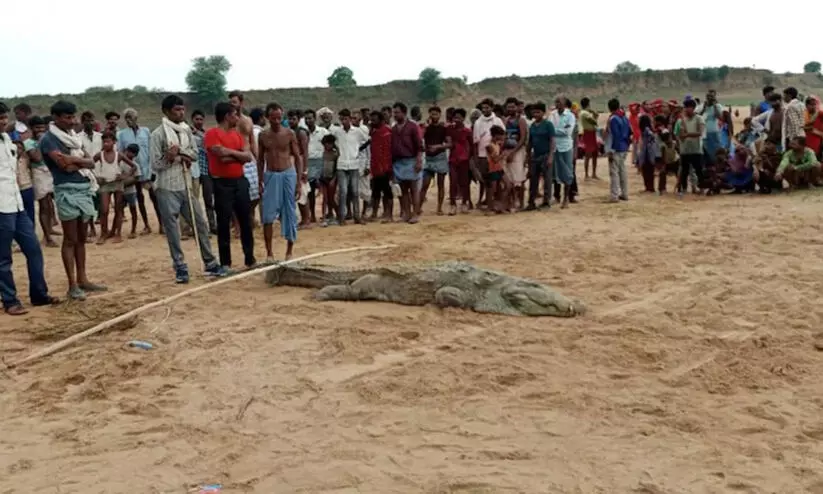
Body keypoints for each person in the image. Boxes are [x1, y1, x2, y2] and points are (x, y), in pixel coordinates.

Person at [151, 95, 228, 283]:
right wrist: (170, 157)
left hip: (186, 183)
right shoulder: (158, 134)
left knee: (200, 223)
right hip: (166, 186)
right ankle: (180, 266)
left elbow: (194, 153)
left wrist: (180, 154)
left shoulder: (186, 131)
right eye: (176, 110)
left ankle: (210, 262)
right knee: (172, 229)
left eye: (182, 109)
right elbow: (155, 164)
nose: (180, 113)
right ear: (167, 112)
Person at [39, 100, 107, 300]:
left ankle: (83, 279)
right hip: (66, 191)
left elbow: (90, 163)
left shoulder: (73, 138)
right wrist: (78, 162)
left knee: (81, 239)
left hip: (83, 189)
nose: (72, 121)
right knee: (70, 239)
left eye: (72, 117)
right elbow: (64, 167)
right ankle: (72, 285)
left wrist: (72, 159)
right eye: (68, 118)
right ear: (57, 118)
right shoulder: (48, 140)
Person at [0, 103, 60, 315]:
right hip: (1, 208)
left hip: (16, 203)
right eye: (1, 118)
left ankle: (39, 294)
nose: (4, 121)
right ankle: (10, 300)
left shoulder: (7, 140)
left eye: (4, 117)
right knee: (3, 258)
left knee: (34, 249)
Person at [205, 102, 256, 269]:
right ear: (227, 116)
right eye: (235, 114)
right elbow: (220, 156)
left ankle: (250, 258)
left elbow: (248, 156)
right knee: (224, 222)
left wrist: (230, 153)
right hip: (222, 183)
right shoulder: (212, 133)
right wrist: (238, 155)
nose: (237, 118)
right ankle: (226, 262)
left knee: (246, 221)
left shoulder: (237, 135)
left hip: (240, 181)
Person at [258, 103, 302, 261]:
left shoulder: (289, 133)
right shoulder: (263, 135)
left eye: (279, 117)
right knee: (268, 216)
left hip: (288, 175)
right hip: (271, 175)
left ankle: (289, 251)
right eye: (273, 118)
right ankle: (269, 253)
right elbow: (260, 159)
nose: (276, 121)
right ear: (267, 118)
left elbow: (297, 157)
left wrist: (298, 182)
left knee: (290, 213)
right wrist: (260, 180)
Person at [118, 108, 159, 234]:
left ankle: (162, 224)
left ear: (136, 118)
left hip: (147, 169)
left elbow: (152, 150)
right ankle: (146, 225)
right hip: (133, 170)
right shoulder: (122, 134)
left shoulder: (146, 131)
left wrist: (152, 169)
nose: (129, 120)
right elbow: (121, 152)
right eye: (127, 118)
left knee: (154, 197)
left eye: (131, 117)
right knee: (139, 198)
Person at [93, 132, 135, 244]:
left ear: (114, 142)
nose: (106, 144)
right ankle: (103, 233)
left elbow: (133, 166)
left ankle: (118, 233)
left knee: (118, 208)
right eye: (104, 142)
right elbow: (89, 165)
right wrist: (96, 177)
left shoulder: (119, 155)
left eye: (108, 141)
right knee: (104, 210)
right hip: (105, 184)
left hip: (117, 184)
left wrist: (124, 176)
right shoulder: (99, 155)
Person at [24, 116, 59, 247]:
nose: (40, 130)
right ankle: (47, 237)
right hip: (39, 174)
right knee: (44, 205)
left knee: (50, 205)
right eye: (37, 127)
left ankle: (49, 230)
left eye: (42, 127)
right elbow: (37, 158)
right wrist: (40, 141)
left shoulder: (47, 140)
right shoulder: (28, 143)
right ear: (31, 128)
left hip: (49, 172)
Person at [331, 109, 369, 225]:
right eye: (341, 119)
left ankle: (357, 216)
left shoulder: (357, 132)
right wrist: (337, 150)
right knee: (343, 191)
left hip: (354, 164)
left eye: (346, 119)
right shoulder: (337, 132)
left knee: (355, 191)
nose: (344, 121)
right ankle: (342, 217)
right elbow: (332, 142)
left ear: (349, 118)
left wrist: (357, 151)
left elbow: (367, 141)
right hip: (341, 164)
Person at [391, 102, 424, 223]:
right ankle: (407, 213)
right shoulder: (394, 129)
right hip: (398, 162)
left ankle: (415, 214)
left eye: (397, 112)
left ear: (404, 113)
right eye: (394, 112)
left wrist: (419, 160)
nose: (395, 115)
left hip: (411, 160)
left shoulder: (413, 126)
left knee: (414, 189)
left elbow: (420, 145)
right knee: (403, 190)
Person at [472, 98, 504, 207]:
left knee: (497, 180)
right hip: (482, 156)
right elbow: (476, 141)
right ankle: (488, 203)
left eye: (487, 107)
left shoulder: (498, 121)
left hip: (495, 155)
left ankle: (497, 202)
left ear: (492, 107)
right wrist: (476, 157)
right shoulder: (478, 122)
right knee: (486, 181)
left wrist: (498, 151)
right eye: (483, 108)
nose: (485, 110)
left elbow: (503, 137)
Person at [191, 109, 217, 233]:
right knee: (193, 200)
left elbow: (208, 145)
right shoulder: (187, 133)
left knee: (209, 200)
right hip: (193, 171)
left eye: (201, 119)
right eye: (197, 119)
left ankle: (212, 226)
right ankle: (194, 228)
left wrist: (199, 134)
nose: (199, 121)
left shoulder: (206, 134)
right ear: (192, 120)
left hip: (206, 170)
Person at [526, 102, 555, 210]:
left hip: (546, 154)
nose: (536, 114)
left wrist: (551, 155)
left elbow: (552, 140)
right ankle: (531, 202)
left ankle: (546, 202)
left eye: (538, 112)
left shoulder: (548, 125)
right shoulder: (532, 126)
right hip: (535, 155)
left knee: (547, 179)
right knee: (533, 179)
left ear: (543, 113)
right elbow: (530, 142)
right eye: (534, 112)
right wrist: (528, 155)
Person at [548, 97, 576, 208]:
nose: (557, 104)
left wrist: (554, 130)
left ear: (564, 104)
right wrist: (560, 130)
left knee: (567, 173)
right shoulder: (552, 115)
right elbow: (549, 129)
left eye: (559, 102)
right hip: (554, 147)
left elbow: (567, 132)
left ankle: (566, 198)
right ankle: (556, 196)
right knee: (555, 173)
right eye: (556, 102)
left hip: (566, 147)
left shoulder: (570, 116)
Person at [602, 98, 632, 202]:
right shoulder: (624, 117)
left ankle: (614, 195)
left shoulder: (613, 119)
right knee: (622, 171)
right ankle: (624, 193)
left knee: (614, 172)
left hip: (616, 148)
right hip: (624, 147)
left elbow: (615, 136)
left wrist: (611, 150)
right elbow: (629, 132)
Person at [421, 106, 449, 215]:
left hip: (440, 157)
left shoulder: (443, 128)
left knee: (441, 184)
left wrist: (438, 147)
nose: (434, 116)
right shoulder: (426, 127)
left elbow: (449, 143)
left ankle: (439, 208)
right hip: (429, 159)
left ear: (439, 115)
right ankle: (418, 207)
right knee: (425, 184)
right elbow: (420, 137)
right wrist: (425, 127)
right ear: (429, 115)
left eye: (436, 114)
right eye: (432, 114)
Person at [445, 108, 473, 215]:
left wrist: (470, 158)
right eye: (455, 117)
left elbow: (471, 145)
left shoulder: (467, 131)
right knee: (453, 182)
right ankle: (452, 204)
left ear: (463, 118)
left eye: (459, 117)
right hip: (453, 159)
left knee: (464, 183)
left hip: (464, 159)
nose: (456, 120)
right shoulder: (449, 129)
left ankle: (464, 203)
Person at [503, 97, 528, 211]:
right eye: (509, 107)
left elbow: (523, 138)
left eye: (513, 106)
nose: (511, 109)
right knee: (510, 178)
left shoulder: (521, 120)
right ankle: (512, 202)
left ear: (517, 107)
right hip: (507, 150)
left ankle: (521, 203)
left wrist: (514, 152)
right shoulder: (506, 120)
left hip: (518, 150)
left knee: (519, 178)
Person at [304, 109, 328, 223]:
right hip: (308, 163)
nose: (308, 120)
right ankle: (312, 215)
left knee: (324, 190)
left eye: (310, 118)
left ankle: (325, 214)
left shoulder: (323, 132)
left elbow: (330, 145)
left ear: (315, 118)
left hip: (321, 162)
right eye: (306, 118)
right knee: (310, 192)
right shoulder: (303, 133)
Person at [677, 99, 706, 197]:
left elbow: (700, 132)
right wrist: (682, 134)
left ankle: (701, 188)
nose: (685, 109)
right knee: (684, 171)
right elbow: (681, 135)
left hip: (696, 149)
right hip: (685, 149)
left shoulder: (699, 118)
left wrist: (687, 134)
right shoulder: (682, 120)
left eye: (687, 107)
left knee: (699, 170)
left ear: (692, 108)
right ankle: (684, 189)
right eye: (685, 107)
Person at [369, 110, 394, 221]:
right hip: (375, 167)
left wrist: (389, 167)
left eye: (374, 120)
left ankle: (389, 214)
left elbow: (390, 150)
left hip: (385, 167)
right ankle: (374, 214)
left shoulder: (387, 131)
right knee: (375, 192)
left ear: (380, 120)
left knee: (387, 192)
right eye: (371, 120)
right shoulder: (373, 133)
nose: (372, 121)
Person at [287, 109, 310, 227]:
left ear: (298, 119)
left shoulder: (301, 132)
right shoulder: (289, 131)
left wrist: (305, 170)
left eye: (293, 119)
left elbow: (305, 152)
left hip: (299, 161)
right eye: (289, 119)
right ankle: (303, 218)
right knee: (295, 191)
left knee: (303, 191)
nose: (291, 121)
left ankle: (306, 219)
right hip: (291, 162)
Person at [485, 125, 508, 213]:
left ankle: (499, 206)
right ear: (496, 135)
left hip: (498, 168)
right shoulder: (489, 145)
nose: (502, 136)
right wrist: (503, 155)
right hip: (493, 169)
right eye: (500, 135)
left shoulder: (496, 144)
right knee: (493, 189)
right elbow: (495, 160)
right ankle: (490, 208)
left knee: (507, 185)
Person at [120, 143, 141, 239]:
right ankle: (118, 230)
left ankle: (133, 230)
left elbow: (137, 178)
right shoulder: (121, 163)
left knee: (133, 210)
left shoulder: (136, 165)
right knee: (119, 210)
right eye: (127, 151)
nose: (128, 154)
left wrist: (124, 183)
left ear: (135, 154)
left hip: (130, 191)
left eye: (131, 153)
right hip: (122, 191)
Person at [320, 134, 339, 226]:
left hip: (332, 178)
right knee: (325, 198)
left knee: (332, 199)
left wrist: (334, 179)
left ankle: (338, 215)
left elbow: (337, 169)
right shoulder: (322, 154)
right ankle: (324, 217)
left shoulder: (335, 154)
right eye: (326, 144)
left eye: (330, 144)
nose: (328, 145)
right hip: (323, 178)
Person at [579, 97, 599, 179]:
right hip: (589, 134)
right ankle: (589, 174)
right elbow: (594, 121)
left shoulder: (584, 112)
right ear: (588, 104)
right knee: (589, 154)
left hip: (590, 133)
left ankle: (590, 174)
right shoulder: (585, 113)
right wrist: (594, 115)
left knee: (592, 154)